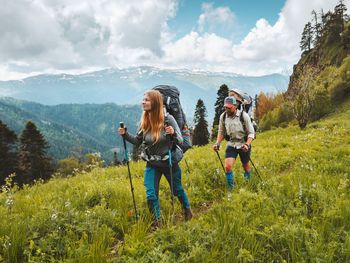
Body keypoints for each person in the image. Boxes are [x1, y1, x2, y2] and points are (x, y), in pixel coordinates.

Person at [118, 90, 192, 228]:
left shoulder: (168, 119)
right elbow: (137, 141)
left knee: (177, 190)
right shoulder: (145, 120)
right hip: (152, 163)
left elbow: (180, 140)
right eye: (143, 99)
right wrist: (125, 134)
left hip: (169, 162)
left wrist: (173, 133)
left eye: (146, 100)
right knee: (151, 194)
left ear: (155, 103)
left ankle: (187, 210)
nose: (143, 102)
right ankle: (157, 223)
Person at [213, 96, 255, 196]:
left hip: (243, 144)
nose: (227, 109)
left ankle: (248, 185)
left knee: (246, 166)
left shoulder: (243, 116)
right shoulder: (223, 116)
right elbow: (221, 132)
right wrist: (217, 143)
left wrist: (247, 144)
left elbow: (251, 133)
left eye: (229, 107)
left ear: (235, 106)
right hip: (231, 144)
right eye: (225, 107)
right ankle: (231, 190)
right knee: (227, 167)